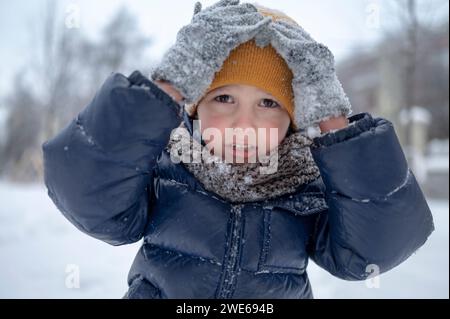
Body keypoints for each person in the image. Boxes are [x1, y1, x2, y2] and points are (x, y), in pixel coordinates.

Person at [42, 0, 434, 298]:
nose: (243, 125)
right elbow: (87, 195)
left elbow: (373, 254)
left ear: (295, 118)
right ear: (195, 106)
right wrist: (169, 84)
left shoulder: (307, 187)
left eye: (268, 103)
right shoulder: (167, 167)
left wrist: (334, 120)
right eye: (224, 98)